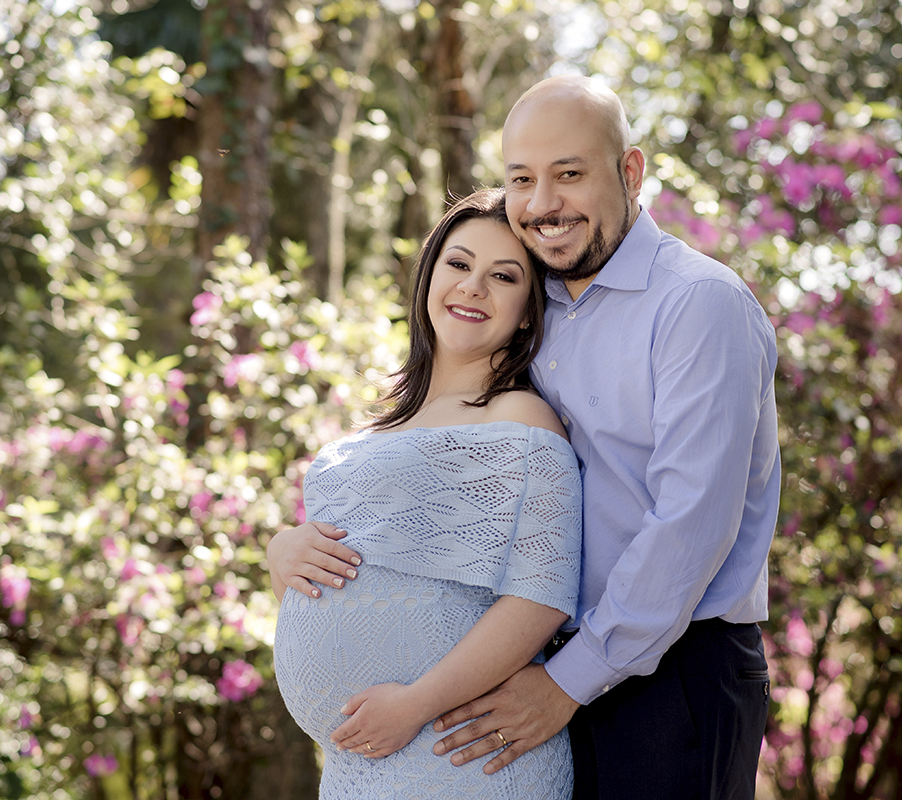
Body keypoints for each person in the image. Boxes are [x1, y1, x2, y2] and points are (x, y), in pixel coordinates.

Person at [274, 75, 781, 799]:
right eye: (522, 179)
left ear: (630, 172)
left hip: (672, 675)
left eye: (570, 174)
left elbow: (691, 527)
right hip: (549, 675)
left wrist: (566, 685)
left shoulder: (698, 305)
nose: (544, 203)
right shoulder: (540, 308)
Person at [269, 187, 582, 799]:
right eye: (459, 265)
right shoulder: (379, 426)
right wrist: (283, 552)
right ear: (429, 277)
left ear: (526, 311)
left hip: (459, 750)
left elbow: (542, 598)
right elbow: (335, 581)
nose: (473, 287)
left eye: (503, 276)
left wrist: (415, 704)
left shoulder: (520, 418)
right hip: (360, 763)